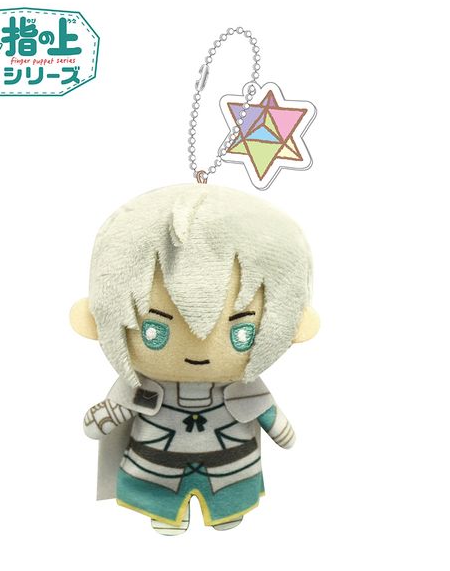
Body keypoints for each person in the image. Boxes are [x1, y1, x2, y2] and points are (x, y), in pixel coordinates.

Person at [70, 184, 319, 535]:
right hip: (156, 468)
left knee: (228, 489)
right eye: (154, 331)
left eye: (241, 332)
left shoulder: (242, 386)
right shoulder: (142, 386)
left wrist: (280, 428)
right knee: (162, 491)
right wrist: (105, 416)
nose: (197, 350)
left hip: (231, 469)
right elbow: (114, 411)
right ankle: (164, 508)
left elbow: (265, 411)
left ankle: (226, 505)